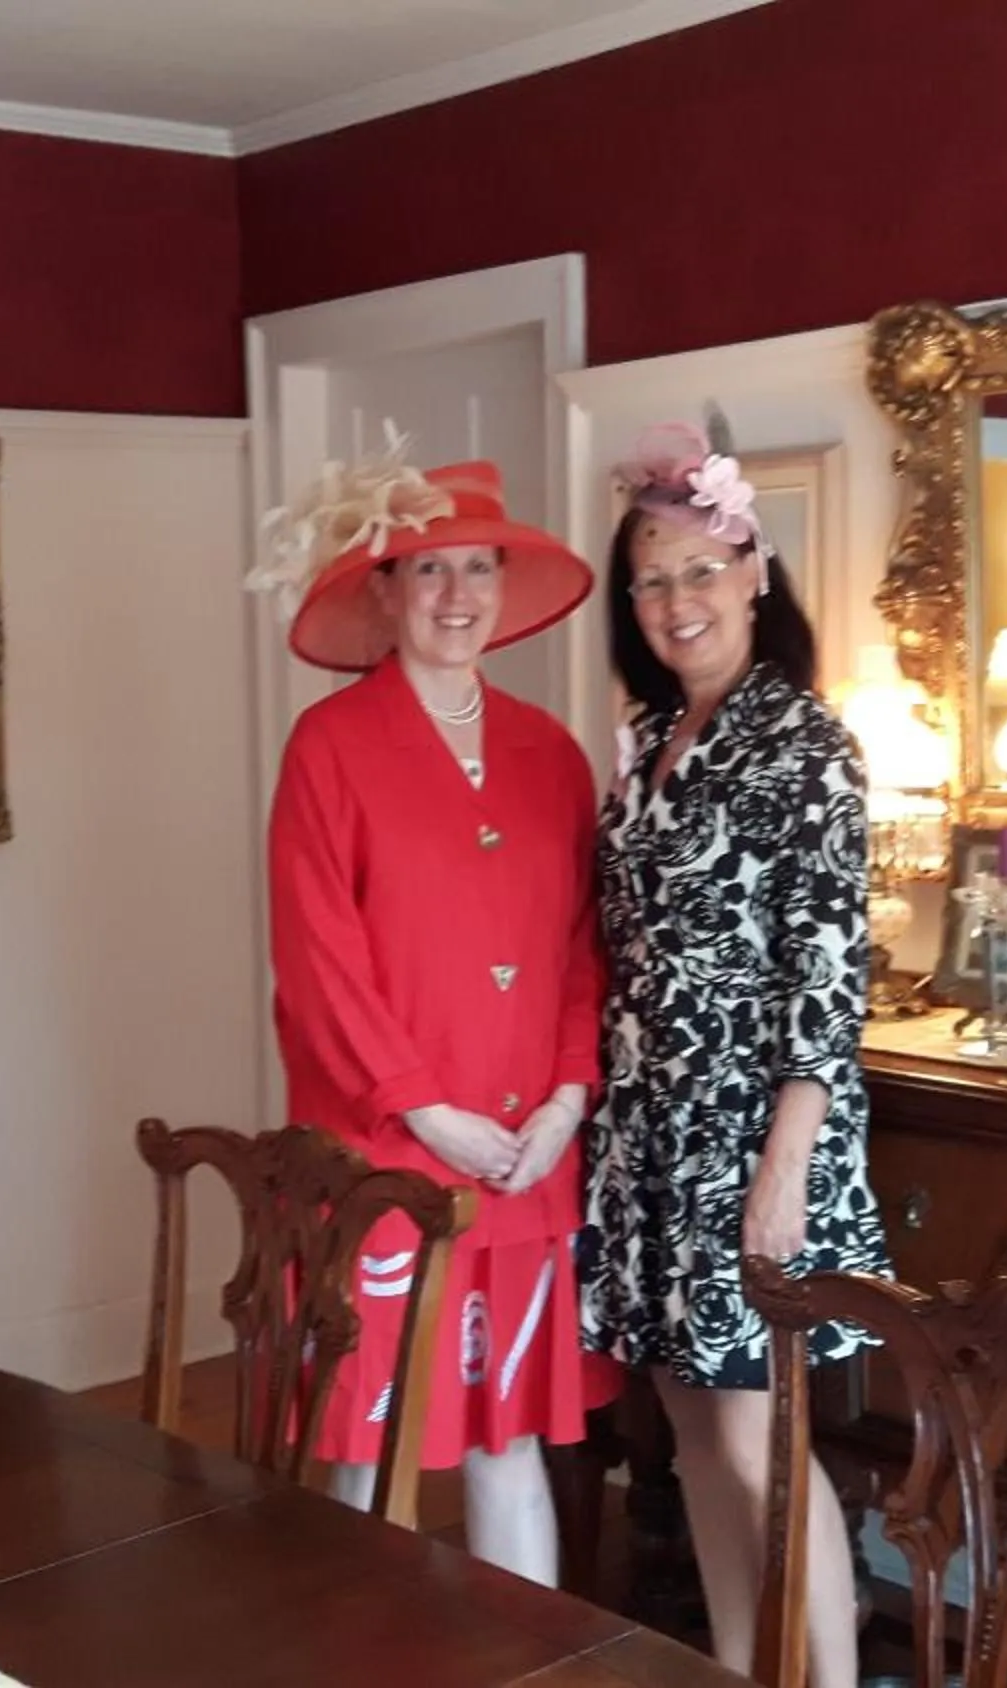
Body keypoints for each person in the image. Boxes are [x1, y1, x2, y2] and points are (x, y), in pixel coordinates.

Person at [250, 431, 617, 1585]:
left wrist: (567, 1096)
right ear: (386, 590)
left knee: (508, 1440)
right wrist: (425, 1111)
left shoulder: (551, 752)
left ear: (506, 592)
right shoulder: (330, 748)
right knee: (369, 1441)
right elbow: (319, 964)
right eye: (429, 569)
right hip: (384, 1155)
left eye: (478, 569)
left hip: (527, 1157)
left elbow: (579, 947)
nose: (458, 595)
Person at [577, 418, 885, 1688]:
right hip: (653, 1129)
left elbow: (829, 978)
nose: (674, 600)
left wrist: (782, 1168)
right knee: (697, 1429)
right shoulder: (648, 745)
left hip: (759, 1135)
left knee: (763, 1436)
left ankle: (822, 1676)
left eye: (700, 569)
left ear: (758, 573)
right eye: (651, 578)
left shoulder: (807, 745)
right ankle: (744, 1667)